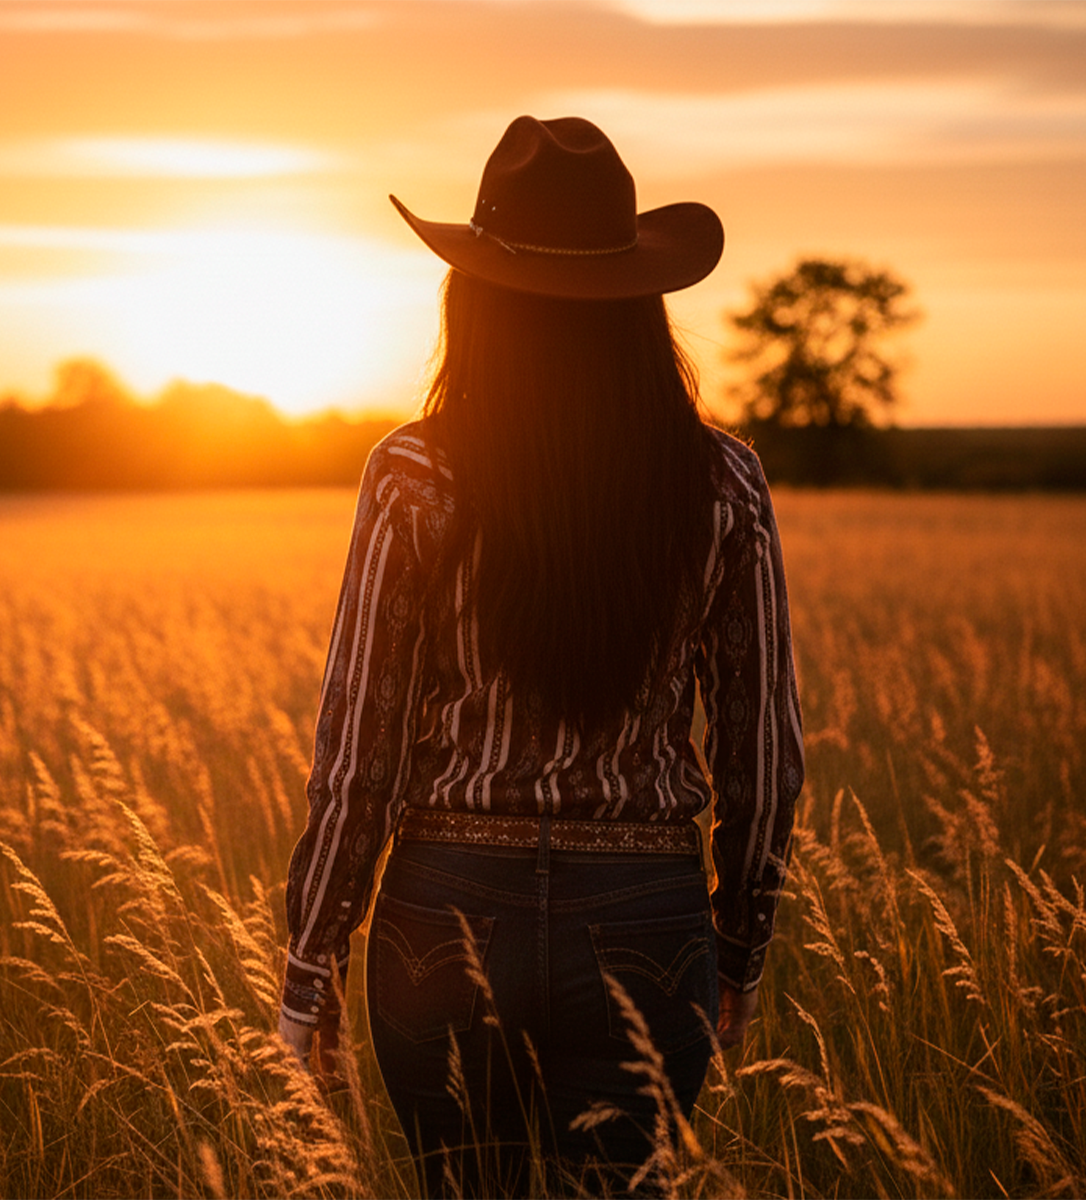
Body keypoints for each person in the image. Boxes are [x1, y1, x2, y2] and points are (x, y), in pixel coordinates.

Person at [276, 116, 803, 1197]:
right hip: (649, 923)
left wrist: (310, 961)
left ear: (473, 297)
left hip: (443, 916)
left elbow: (357, 751)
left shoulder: (413, 474)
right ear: (638, 302)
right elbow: (763, 755)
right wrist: (740, 946)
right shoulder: (723, 483)